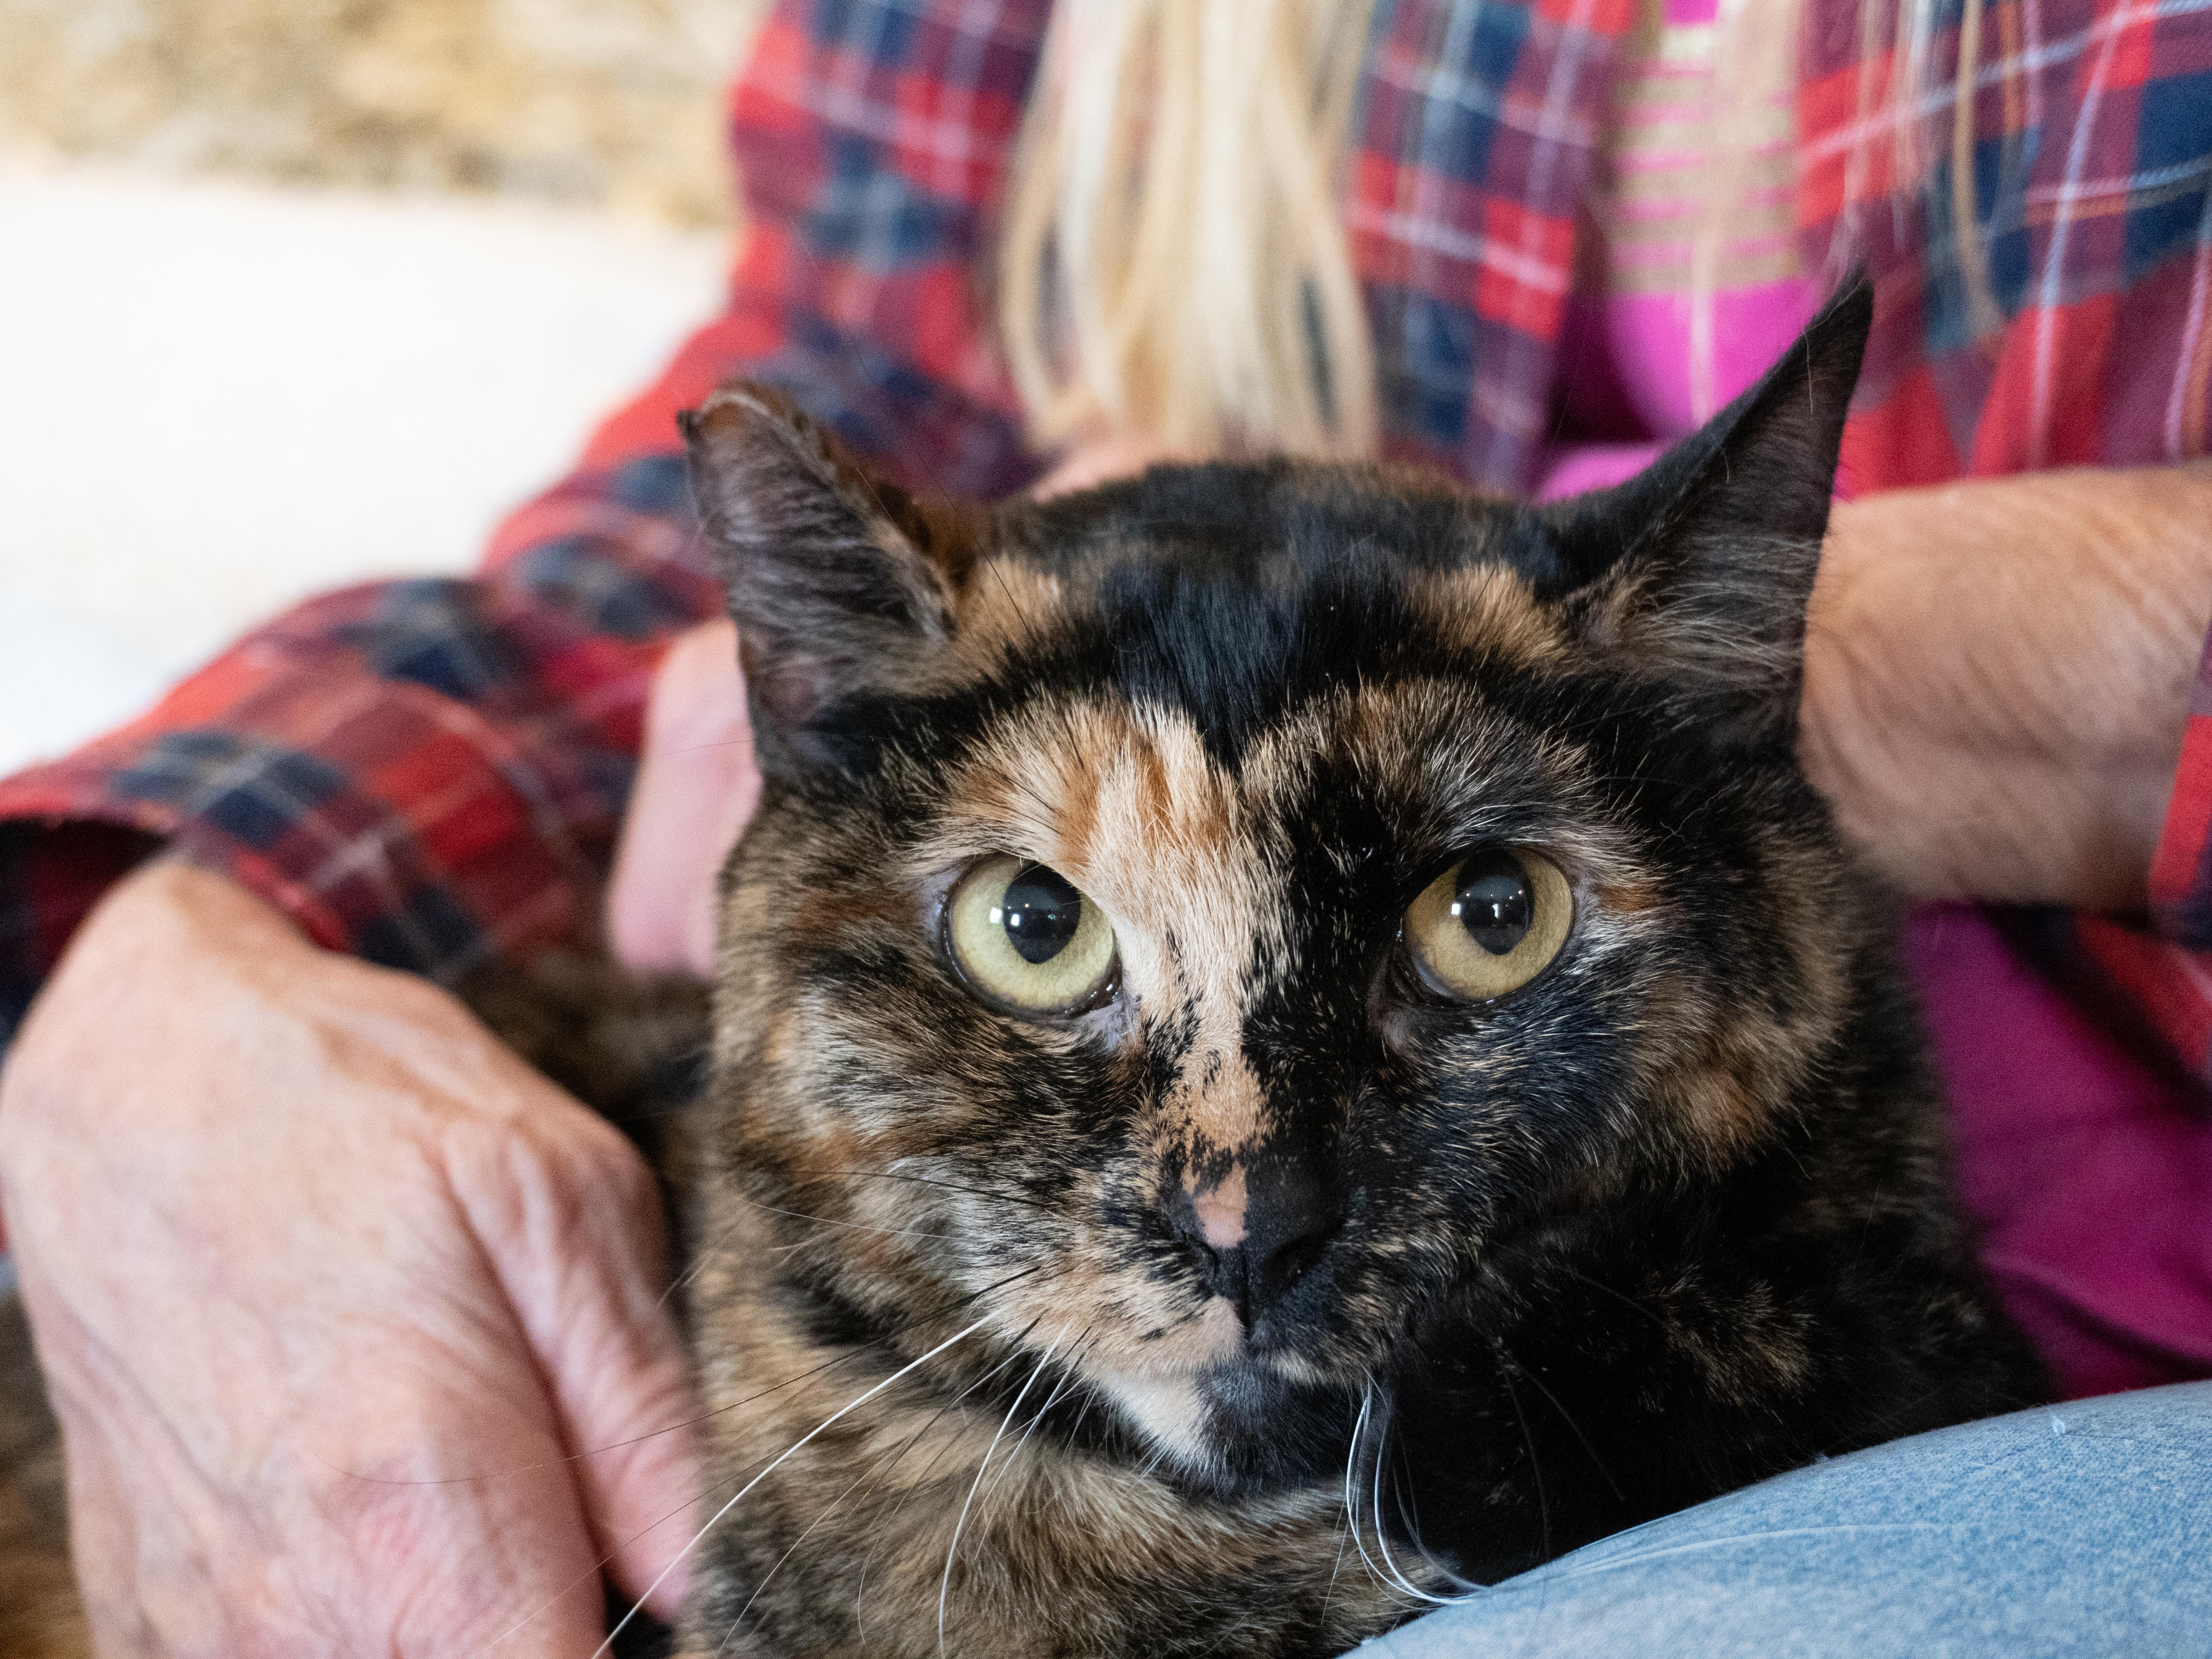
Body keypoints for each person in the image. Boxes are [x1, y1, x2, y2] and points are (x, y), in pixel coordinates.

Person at [1, 0, 2208, 1651]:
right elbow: (826, 424)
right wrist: (153, 953)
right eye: (1052, 937)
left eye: (1490, 922)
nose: (1237, 1200)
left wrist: (1896, 671)